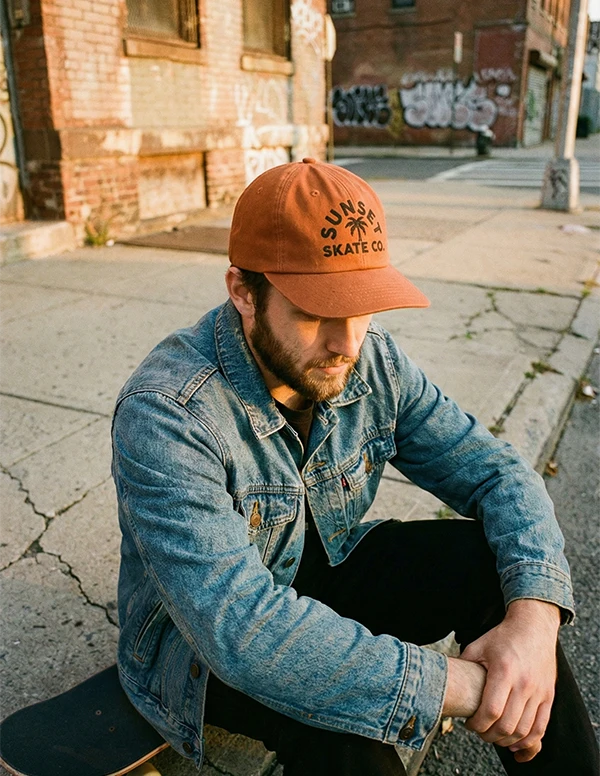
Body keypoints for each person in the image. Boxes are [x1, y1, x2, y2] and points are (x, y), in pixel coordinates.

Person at [111, 158, 599, 775]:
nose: (347, 344)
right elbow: (243, 631)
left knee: (490, 566)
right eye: (316, 312)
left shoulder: (371, 361)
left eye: (362, 306)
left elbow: (497, 473)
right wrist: (473, 689)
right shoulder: (167, 414)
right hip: (203, 654)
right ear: (243, 292)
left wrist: (532, 628)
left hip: (325, 581)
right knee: (349, 735)